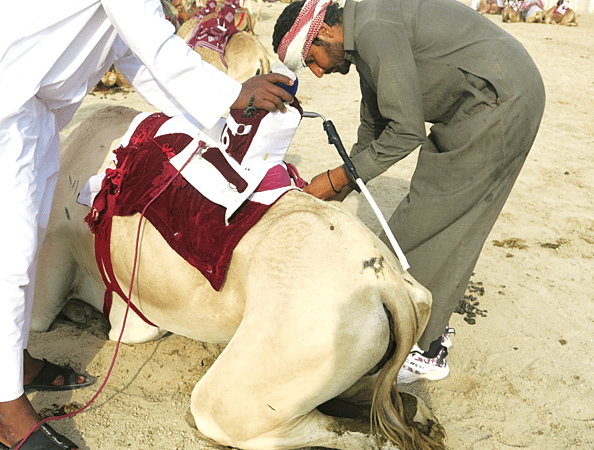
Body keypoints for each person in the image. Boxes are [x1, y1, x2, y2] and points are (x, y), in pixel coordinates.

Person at [0, 0, 294, 448]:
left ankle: (11, 364)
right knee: (11, 255)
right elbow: (153, 44)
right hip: (9, 104)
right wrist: (233, 94)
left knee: (28, 240)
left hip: (32, 112)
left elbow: (137, 59)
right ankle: (5, 412)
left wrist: (227, 122)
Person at [273, 0, 545, 383]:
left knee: (432, 221)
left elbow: (406, 132)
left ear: (326, 31)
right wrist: (344, 185)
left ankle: (427, 348)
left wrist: (335, 179)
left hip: (499, 100)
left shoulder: (372, 28)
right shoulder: (361, 37)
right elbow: (375, 128)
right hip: (478, 101)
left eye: (311, 59)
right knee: (437, 215)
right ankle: (425, 330)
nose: (317, 73)